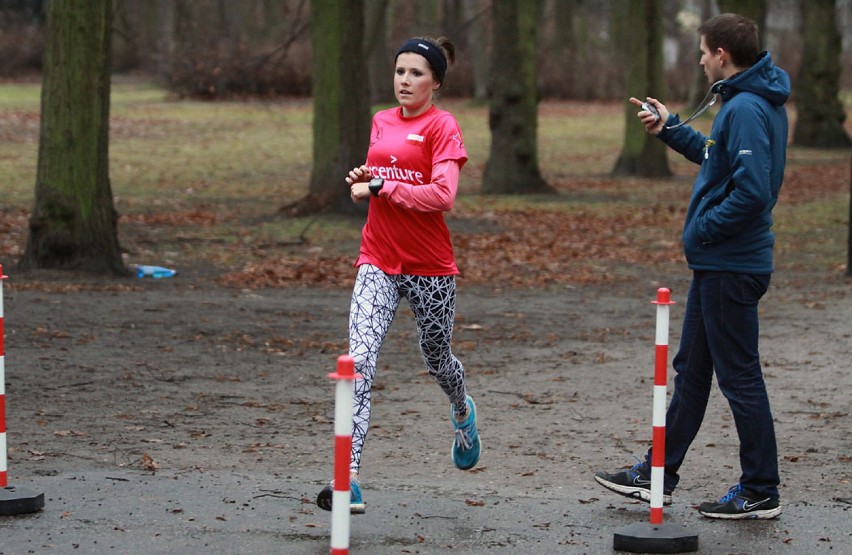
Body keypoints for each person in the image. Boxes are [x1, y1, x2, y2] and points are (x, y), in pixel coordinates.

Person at [594, 13, 789, 520]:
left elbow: (752, 192)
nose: (700, 59)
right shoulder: (743, 104)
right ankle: (656, 472)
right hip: (718, 264)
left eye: (703, 51)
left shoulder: (745, 107)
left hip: (730, 264)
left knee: (740, 378)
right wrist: (670, 129)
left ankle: (761, 488)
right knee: (692, 373)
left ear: (722, 54)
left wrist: (703, 231)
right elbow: (716, 156)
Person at [316, 36, 480, 514]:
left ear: (436, 83)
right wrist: (364, 182)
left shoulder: (443, 127)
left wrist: (384, 186)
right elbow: (384, 175)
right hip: (377, 261)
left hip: (430, 268)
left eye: (415, 74)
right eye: (399, 72)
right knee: (359, 364)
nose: (404, 81)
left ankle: (462, 410)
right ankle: (347, 479)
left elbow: (442, 195)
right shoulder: (381, 121)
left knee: (436, 358)